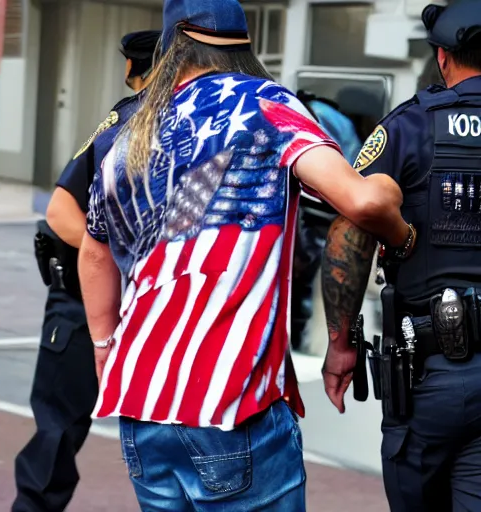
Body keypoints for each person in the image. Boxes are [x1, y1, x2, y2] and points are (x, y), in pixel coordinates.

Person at [78, 0, 412, 510]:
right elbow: (362, 201)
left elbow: (95, 252)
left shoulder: (132, 132)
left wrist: (105, 349)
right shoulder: (264, 103)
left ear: (170, 47)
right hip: (229, 404)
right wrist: (401, 226)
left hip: (141, 402)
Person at [320, 1, 481, 510]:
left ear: (442, 57)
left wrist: (341, 344)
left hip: (429, 373)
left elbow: (351, 228)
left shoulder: (408, 128)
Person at [11, 30, 160, 512]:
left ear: (130, 68)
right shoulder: (126, 120)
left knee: (166, 445)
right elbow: (61, 212)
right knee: (56, 438)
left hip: (152, 310)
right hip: (81, 308)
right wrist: (118, 264)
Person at [291, 91, 363, 351]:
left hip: (320, 209)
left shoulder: (317, 117)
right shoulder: (335, 119)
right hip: (327, 208)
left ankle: (304, 338)